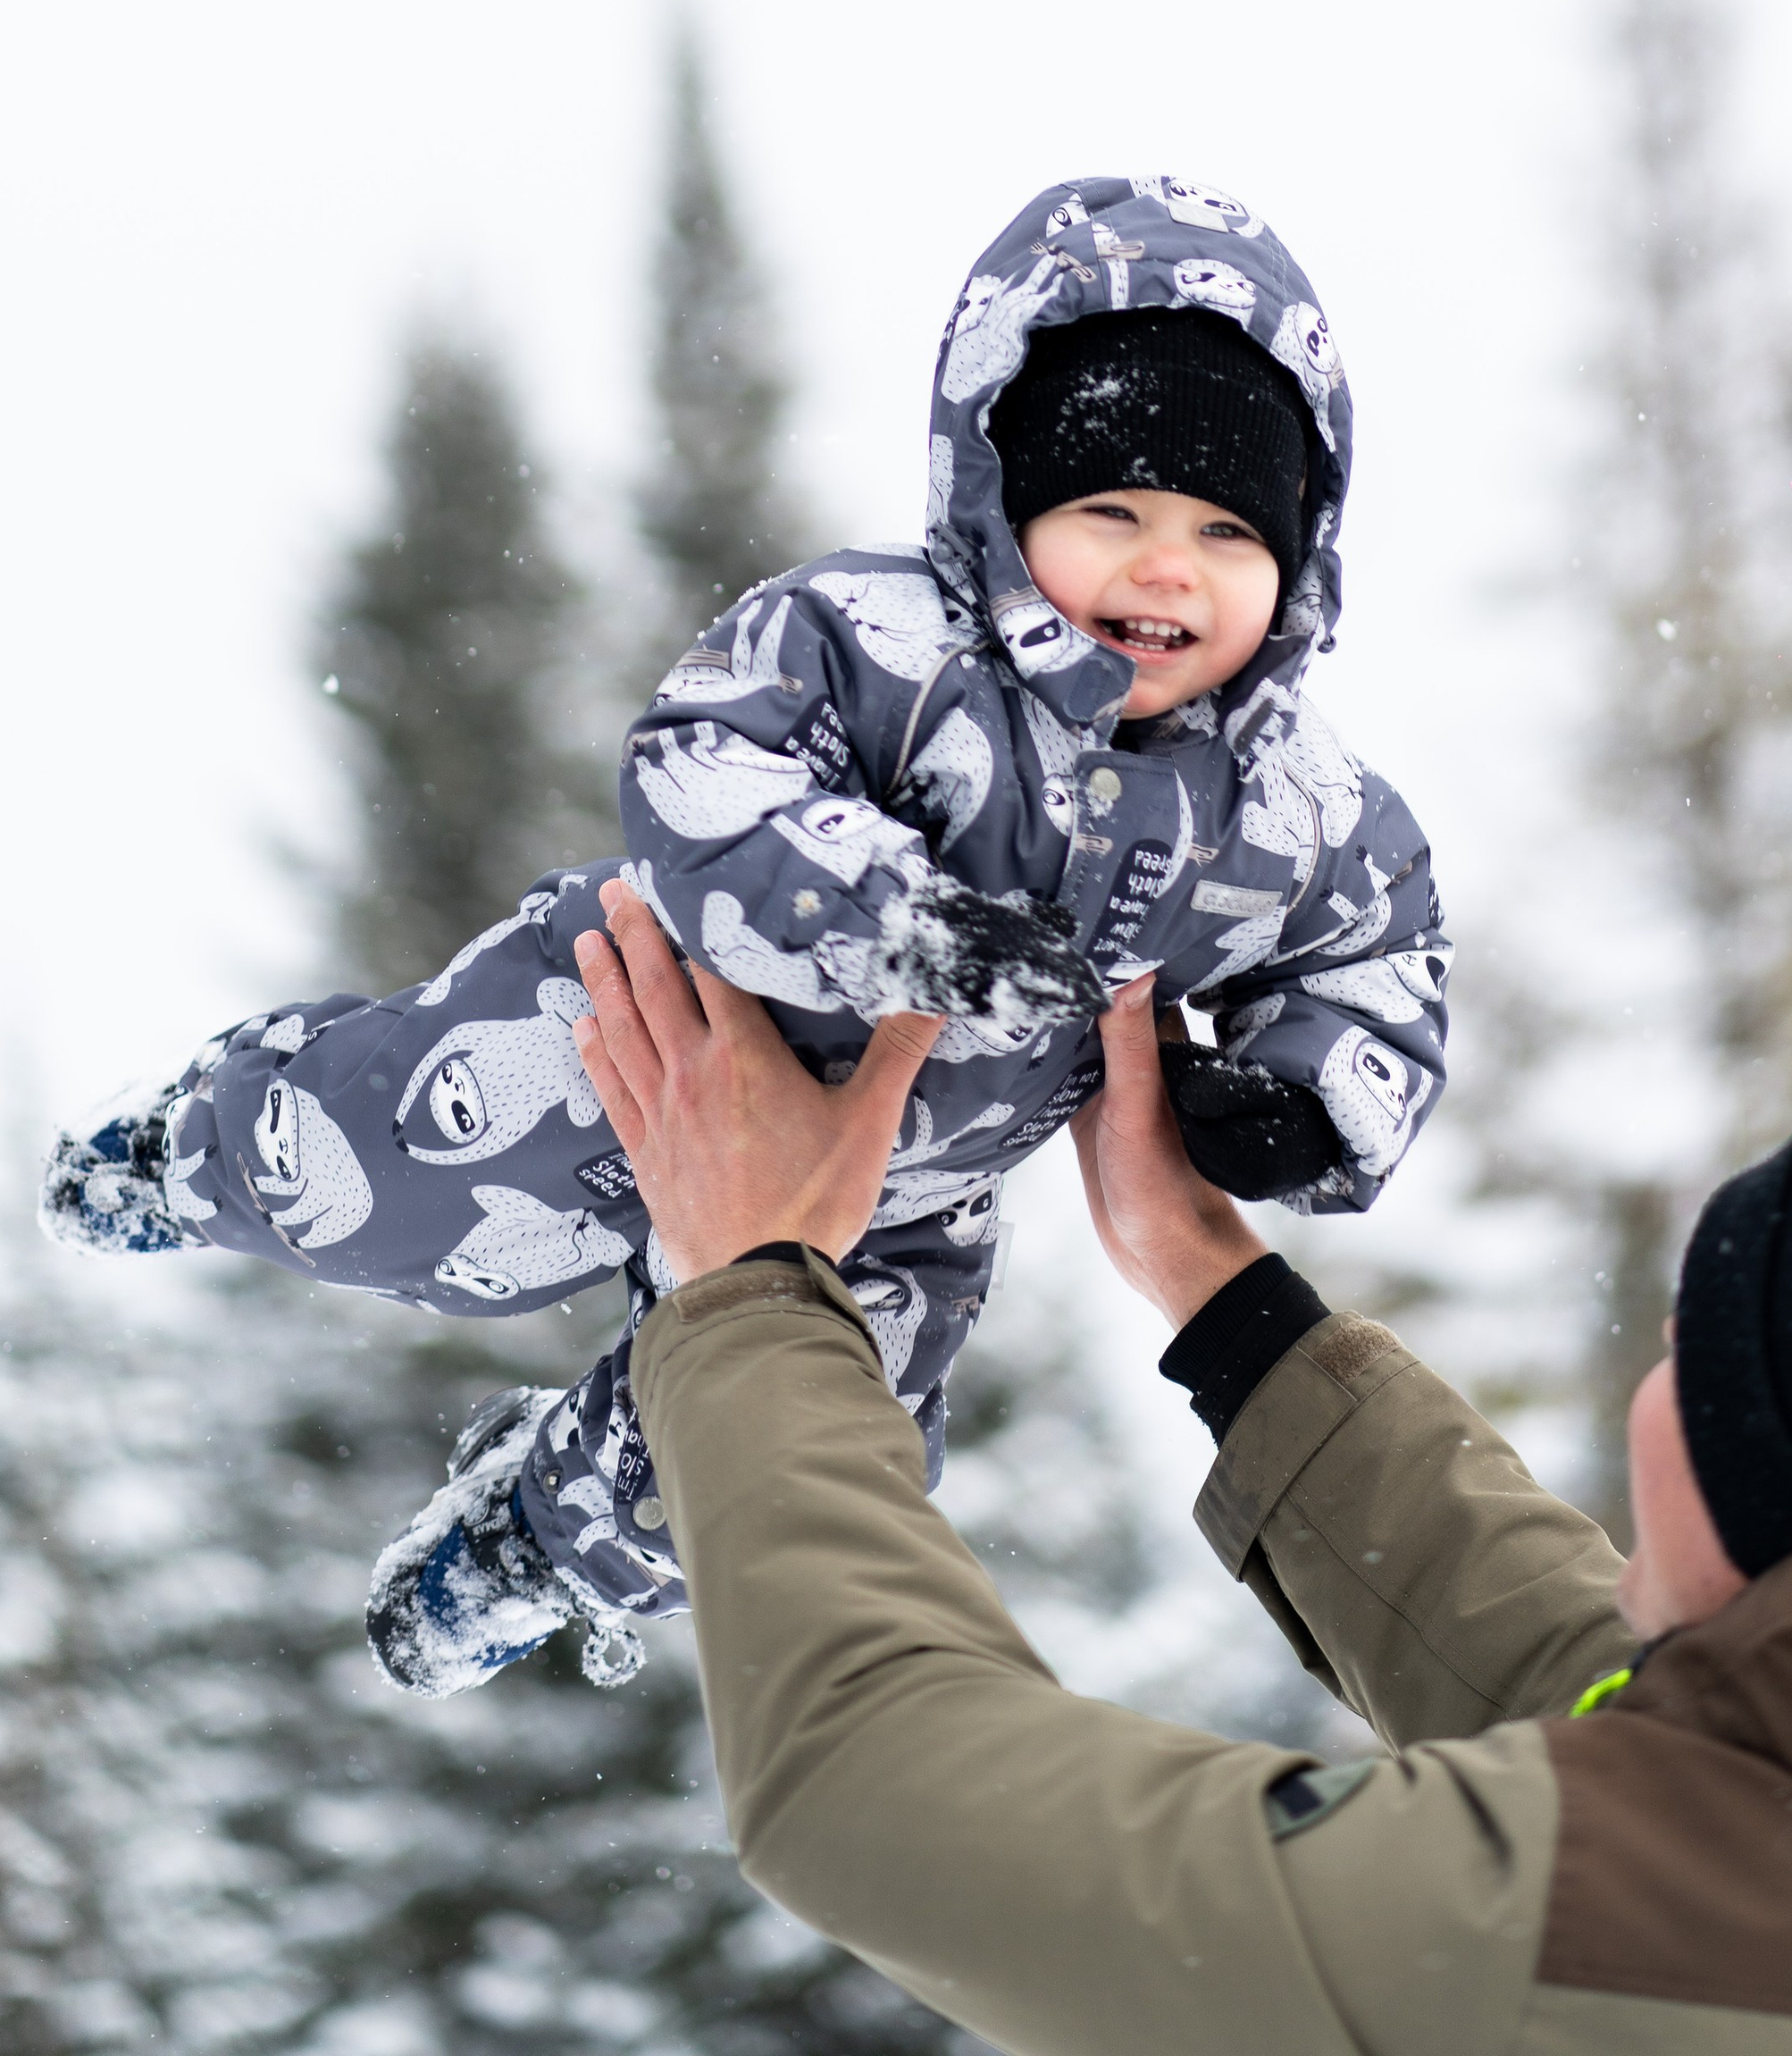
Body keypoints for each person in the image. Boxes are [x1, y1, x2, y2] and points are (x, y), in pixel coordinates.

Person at [39, 175, 1449, 1698]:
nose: (1166, 566)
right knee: (383, 1182)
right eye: (1111, 512)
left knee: (792, 1461)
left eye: (1226, 530)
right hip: (652, 1035)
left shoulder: (1296, 807)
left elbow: (1382, 955)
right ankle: (199, 1145)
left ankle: (531, 1543)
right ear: (1007, 503)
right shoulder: (880, 642)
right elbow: (705, 762)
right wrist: (895, 922)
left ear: (1298, 559)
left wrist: (1300, 1102)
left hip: (909, 1196)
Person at [571, 885, 1792, 2056]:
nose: (1653, 1386)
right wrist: (1221, 1297)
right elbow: (1637, 1722)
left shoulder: (1556, 1941)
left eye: (1695, 1359)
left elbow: (882, 1787)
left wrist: (753, 1280)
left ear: (1784, 1479)